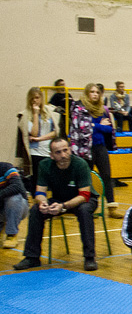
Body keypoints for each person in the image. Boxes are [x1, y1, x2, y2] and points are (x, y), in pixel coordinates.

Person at [13, 137, 99, 271]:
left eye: (65, 150)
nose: (63, 155)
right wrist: (43, 203)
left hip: (83, 199)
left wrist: (63, 206)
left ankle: (89, 257)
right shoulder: (45, 165)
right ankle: (32, 257)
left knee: (84, 211)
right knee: (36, 210)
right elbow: (40, 192)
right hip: (59, 198)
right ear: (51, 155)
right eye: (58, 152)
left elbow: (84, 195)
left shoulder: (80, 164)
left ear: (70, 150)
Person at [69, 83, 125, 219]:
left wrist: (95, 126)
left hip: (100, 147)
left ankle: (111, 206)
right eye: (92, 92)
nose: (95, 94)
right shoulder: (80, 109)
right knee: (86, 178)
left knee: (107, 175)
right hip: (85, 148)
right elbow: (82, 128)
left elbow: (109, 129)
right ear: (87, 93)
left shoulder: (103, 109)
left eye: (97, 92)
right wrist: (99, 125)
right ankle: (87, 207)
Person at [18, 86, 59, 184]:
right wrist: (35, 114)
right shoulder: (26, 115)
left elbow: (55, 132)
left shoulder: (49, 112)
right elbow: (34, 133)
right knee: (37, 180)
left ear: (41, 98)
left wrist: (39, 138)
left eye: (37, 98)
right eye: (32, 98)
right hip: (35, 151)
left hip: (49, 150)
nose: (34, 101)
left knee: (50, 180)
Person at [0, 162, 28, 249]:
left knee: (14, 198)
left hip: (19, 207)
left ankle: (12, 234)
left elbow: (17, 186)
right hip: (1, 210)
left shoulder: (6, 167)